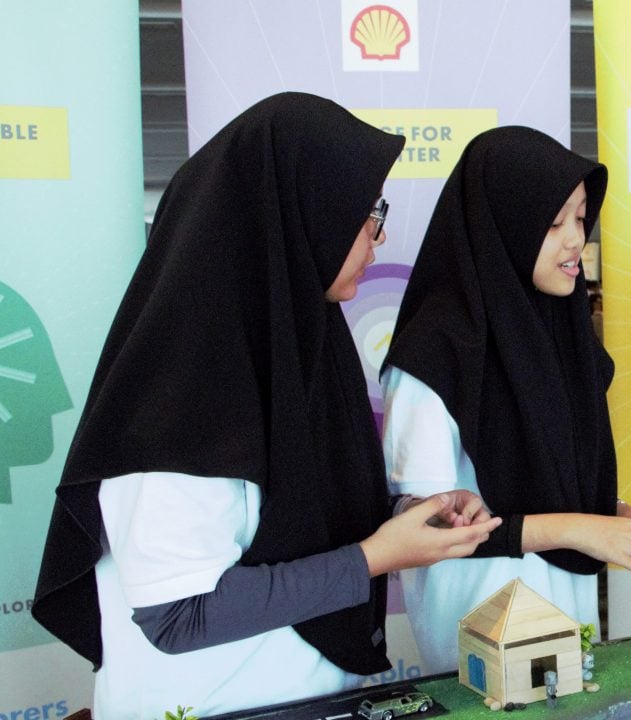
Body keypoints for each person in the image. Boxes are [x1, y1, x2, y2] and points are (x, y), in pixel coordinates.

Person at [30, 93, 501, 719]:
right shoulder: (182, 386)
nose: (379, 236)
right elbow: (178, 616)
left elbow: (297, 514)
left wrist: (412, 514)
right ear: (300, 212)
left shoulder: (306, 348)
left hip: (312, 698)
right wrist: (379, 556)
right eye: (367, 213)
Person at [381, 126, 631, 674]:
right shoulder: (434, 352)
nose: (576, 240)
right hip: (477, 635)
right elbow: (426, 530)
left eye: (581, 218)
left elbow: (546, 476)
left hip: (566, 617)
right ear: (504, 225)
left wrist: (615, 516)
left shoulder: (563, 338)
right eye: (553, 224)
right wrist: (582, 529)